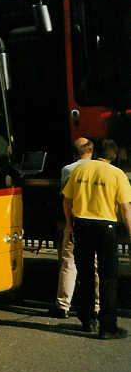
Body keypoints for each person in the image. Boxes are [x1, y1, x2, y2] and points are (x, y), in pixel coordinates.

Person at [62, 138, 131, 339]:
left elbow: (67, 200)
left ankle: (87, 320)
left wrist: (69, 224)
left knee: (85, 275)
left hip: (81, 225)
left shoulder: (79, 171)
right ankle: (107, 327)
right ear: (114, 155)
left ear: (94, 152)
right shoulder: (117, 174)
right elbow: (125, 208)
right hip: (106, 227)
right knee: (108, 278)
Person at [50, 137, 95, 318]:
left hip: (77, 220)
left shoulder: (68, 170)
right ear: (92, 151)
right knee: (96, 264)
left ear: (75, 152)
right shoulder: (105, 170)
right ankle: (97, 306)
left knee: (69, 263)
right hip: (98, 220)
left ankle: (63, 305)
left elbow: (65, 198)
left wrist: (68, 222)